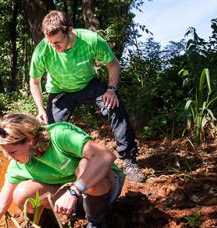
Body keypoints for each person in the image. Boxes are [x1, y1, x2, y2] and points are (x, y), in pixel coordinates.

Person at [29, 10, 146, 183]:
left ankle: (129, 161)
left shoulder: (90, 40)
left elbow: (113, 64)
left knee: (115, 105)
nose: (54, 47)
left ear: (69, 31)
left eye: (58, 42)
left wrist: (111, 90)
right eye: (50, 42)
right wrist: (39, 109)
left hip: (89, 84)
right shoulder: (43, 50)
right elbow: (34, 81)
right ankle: (62, 169)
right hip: (60, 90)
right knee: (51, 130)